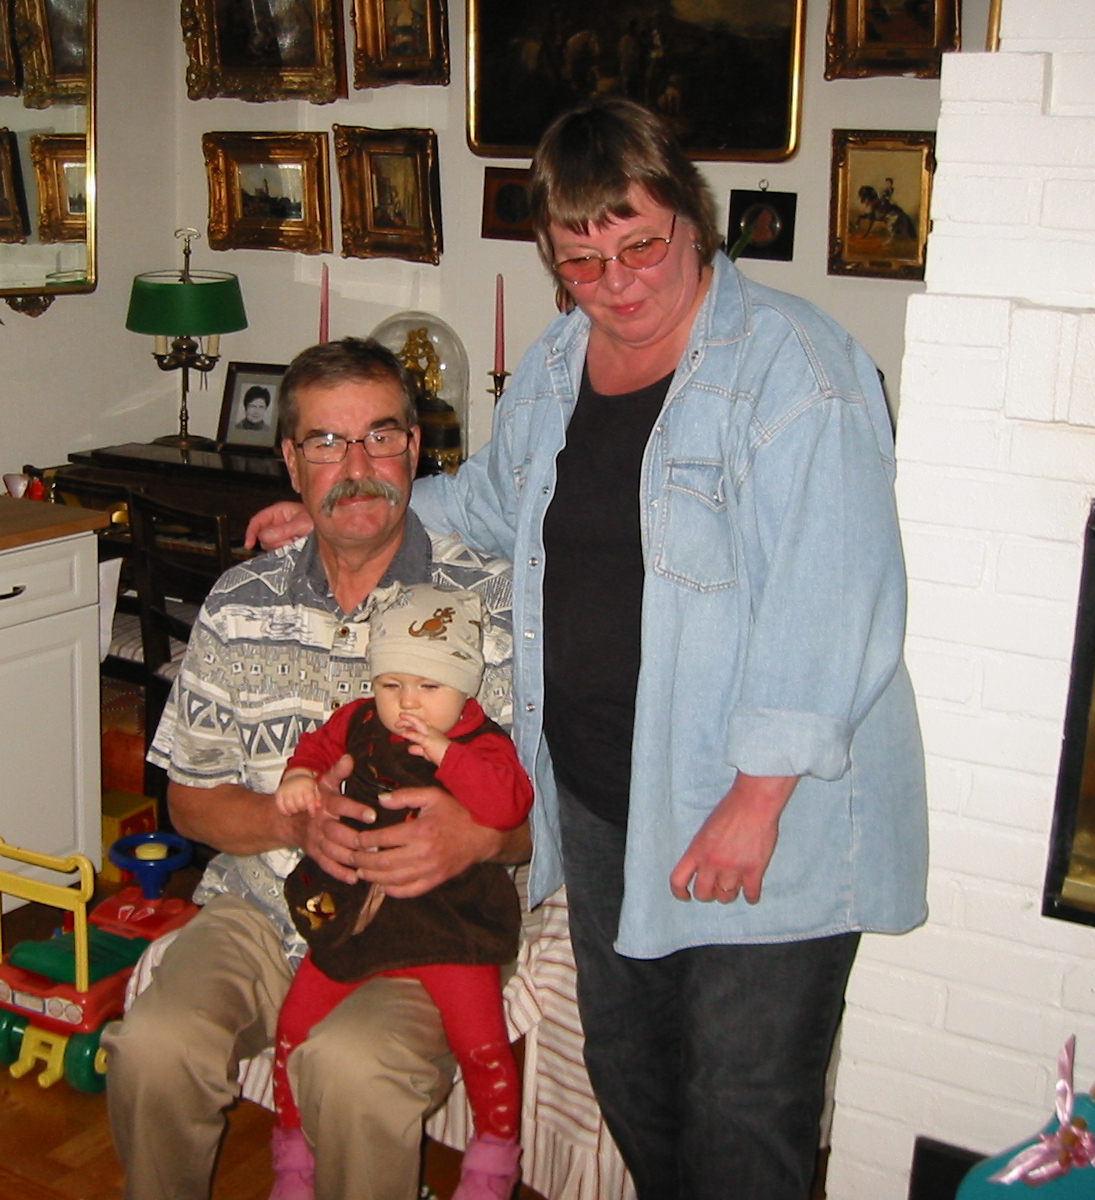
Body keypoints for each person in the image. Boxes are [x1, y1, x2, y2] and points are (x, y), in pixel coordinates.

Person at [247, 96, 928, 1200]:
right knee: (631, 1068)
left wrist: (756, 798)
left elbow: (836, 594)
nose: (617, 283)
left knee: (744, 1101)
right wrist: (355, 509)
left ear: (692, 219)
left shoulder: (796, 370)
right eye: (581, 260)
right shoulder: (562, 362)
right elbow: (489, 500)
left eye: (640, 246)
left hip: (761, 806)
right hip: (609, 799)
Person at [103, 338, 527, 1200]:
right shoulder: (239, 602)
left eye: (380, 437)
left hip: (423, 927)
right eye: (329, 443)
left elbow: (545, 812)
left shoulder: (490, 603)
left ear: (415, 448)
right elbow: (189, 801)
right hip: (262, 904)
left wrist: (478, 839)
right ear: (292, 462)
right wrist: (284, 822)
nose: (358, 468)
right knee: (151, 1049)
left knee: (352, 1070)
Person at [270, 583, 532, 1200]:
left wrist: (445, 754)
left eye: (429, 687)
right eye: (391, 685)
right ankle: (292, 1157)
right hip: (358, 915)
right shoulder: (361, 721)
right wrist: (301, 776)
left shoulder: (483, 743)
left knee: (483, 1045)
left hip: (451, 924)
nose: (407, 702)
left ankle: (492, 1165)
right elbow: (319, 745)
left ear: (465, 687)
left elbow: (509, 804)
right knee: (293, 1025)